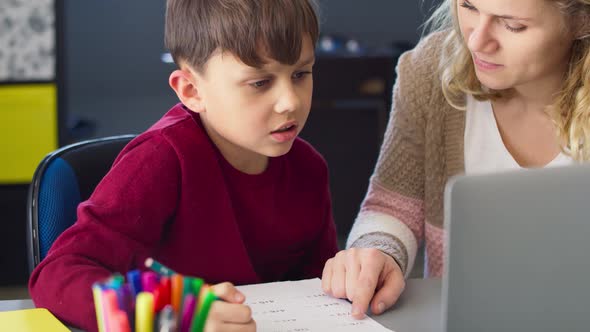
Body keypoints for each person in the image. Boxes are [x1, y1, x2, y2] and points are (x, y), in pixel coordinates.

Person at [29, 0, 338, 331]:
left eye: (300, 73)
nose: (290, 101)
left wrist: (347, 274)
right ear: (191, 90)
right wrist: (169, 312)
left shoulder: (308, 168)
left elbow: (318, 287)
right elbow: (56, 274)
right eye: (260, 82)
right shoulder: (159, 161)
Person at [322, 0, 590, 319]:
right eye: (469, 6)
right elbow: (393, 207)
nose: (476, 41)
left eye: (512, 25)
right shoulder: (432, 69)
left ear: (581, 22)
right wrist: (378, 254)